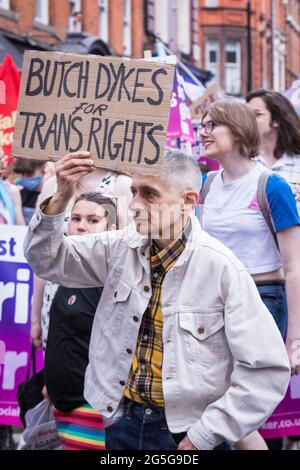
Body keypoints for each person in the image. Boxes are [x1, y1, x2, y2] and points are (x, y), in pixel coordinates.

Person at [24, 150, 290, 451]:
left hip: (186, 434)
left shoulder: (221, 268)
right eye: (134, 191)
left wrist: (204, 435)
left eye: (149, 194)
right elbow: (46, 260)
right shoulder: (120, 247)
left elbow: (267, 368)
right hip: (121, 424)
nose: (134, 204)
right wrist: (59, 198)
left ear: (188, 201)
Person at [199, 99, 300, 374]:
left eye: (212, 125)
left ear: (238, 129)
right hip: (214, 299)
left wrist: (294, 340)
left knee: (250, 394)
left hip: (262, 297)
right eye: (201, 125)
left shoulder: (272, 186)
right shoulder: (204, 185)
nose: (202, 132)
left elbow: (294, 268)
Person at [44, 192, 117, 450]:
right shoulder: (72, 269)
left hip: (91, 408)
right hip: (62, 403)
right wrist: (48, 381)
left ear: (112, 228)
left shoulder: (112, 280)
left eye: (92, 220)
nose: (81, 226)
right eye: (75, 218)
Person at [246, 89, 300, 213]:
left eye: (256, 114)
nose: (248, 120)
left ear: (276, 120)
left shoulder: (297, 161)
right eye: (246, 115)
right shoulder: (241, 162)